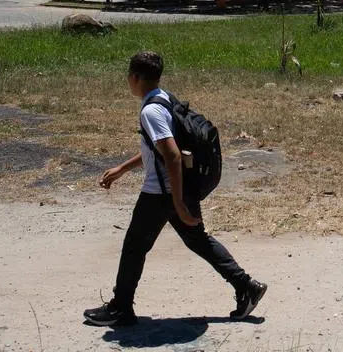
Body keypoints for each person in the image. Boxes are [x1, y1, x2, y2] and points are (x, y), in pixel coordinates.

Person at [83, 51, 267, 327]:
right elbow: (159, 150)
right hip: (178, 189)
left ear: (134, 78)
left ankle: (121, 307)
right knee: (198, 240)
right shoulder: (163, 98)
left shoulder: (150, 110)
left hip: (162, 193)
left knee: (134, 247)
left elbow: (171, 155)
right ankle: (246, 286)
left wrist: (178, 202)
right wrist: (123, 169)